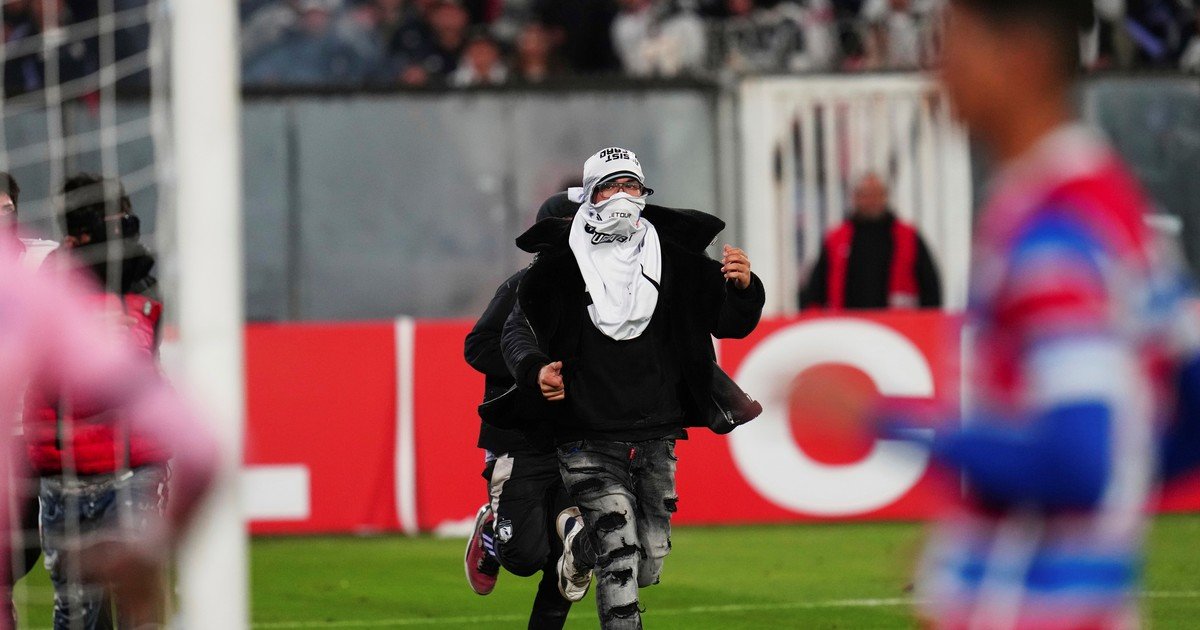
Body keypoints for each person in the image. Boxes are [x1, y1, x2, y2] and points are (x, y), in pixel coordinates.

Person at [878, 0, 1179, 626]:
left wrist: (884, 422)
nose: (940, 73)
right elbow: (1190, 390)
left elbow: (1076, 462)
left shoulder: (1051, 228)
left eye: (954, 46)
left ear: (1024, 59)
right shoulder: (1108, 201)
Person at [501, 147, 765, 629]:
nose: (623, 196)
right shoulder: (556, 268)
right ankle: (599, 559)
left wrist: (745, 289)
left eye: (631, 186)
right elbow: (516, 332)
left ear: (645, 193)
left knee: (646, 562)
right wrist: (535, 369)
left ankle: (578, 551)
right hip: (584, 434)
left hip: (658, 432)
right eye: (610, 187)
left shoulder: (681, 259)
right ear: (588, 197)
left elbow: (728, 322)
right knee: (619, 556)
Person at [0, 201, 216, 630]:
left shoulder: (47, 287)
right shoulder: (42, 293)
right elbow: (198, 447)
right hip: (58, 465)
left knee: (88, 607)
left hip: (92, 463)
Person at [25, 174, 173, 629]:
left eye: (124, 216)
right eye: (109, 220)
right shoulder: (41, 293)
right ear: (75, 236)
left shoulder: (143, 289)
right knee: (75, 611)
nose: (122, 229)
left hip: (132, 466)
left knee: (138, 604)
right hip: (64, 472)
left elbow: (137, 373)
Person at [462, 193, 584, 629]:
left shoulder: (609, 289)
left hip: (580, 437)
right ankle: (495, 530)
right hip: (520, 437)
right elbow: (476, 347)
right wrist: (529, 369)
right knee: (525, 557)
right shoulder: (520, 287)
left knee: (573, 552)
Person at [799, 172, 942, 311]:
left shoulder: (908, 237)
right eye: (865, 195)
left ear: (885, 196)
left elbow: (930, 286)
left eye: (876, 194)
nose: (871, 200)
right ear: (855, 198)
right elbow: (816, 288)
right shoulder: (836, 239)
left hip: (898, 325)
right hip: (847, 324)